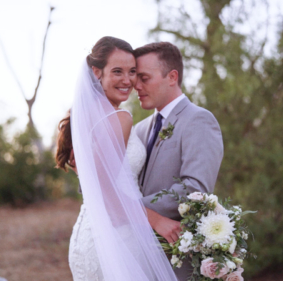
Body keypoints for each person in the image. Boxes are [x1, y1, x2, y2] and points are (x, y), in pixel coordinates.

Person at [55, 37, 177, 281]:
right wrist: (157, 221)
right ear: (96, 72)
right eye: (117, 71)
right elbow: (105, 191)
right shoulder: (120, 118)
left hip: (87, 234)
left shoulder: (83, 118)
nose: (127, 80)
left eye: (132, 72)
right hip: (116, 238)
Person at [133, 42, 224, 281]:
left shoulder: (199, 120)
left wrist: (132, 209)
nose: (136, 86)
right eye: (135, 78)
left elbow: (195, 188)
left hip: (174, 261)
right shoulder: (138, 130)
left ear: (172, 76)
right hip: (133, 255)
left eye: (144, 78)